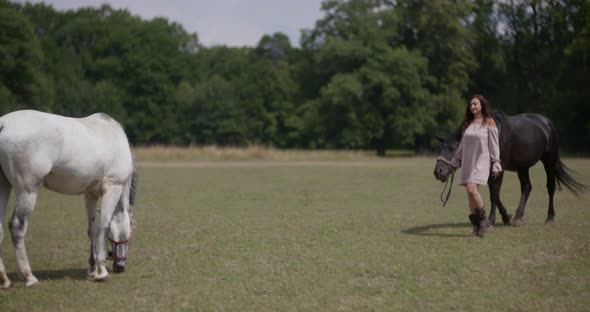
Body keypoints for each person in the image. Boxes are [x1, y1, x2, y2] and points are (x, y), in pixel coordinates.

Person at [450, 94, 502, 237]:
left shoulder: (489, 122)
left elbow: (494, 144)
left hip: (481, 161)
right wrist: (454, 161)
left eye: (475, 104)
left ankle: (484, 222)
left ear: (482, 105)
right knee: (470, 193)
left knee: (472, 189)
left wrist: (496, 163)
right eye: (471, 104)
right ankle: (476, 228)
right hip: (468, 161)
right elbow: (462, 146)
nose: (473, 106)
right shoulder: (468, 124)